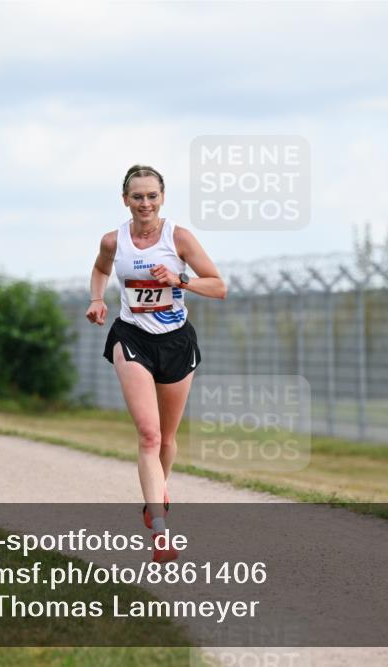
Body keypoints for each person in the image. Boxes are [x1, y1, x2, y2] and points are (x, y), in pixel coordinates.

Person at [86, 164, 226, 563]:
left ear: (162, 197)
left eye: (151, 195)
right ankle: (161, 534)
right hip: (132, 338)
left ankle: (155, 495)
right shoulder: (114, 241)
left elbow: (218, 286)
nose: (144, 203)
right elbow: (100, 268)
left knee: (166, 438)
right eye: (137, 196)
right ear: (125, 199)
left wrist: (179, 281)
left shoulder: (178, 237)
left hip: (177, 342)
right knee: (148, 435)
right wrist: (97, 299)